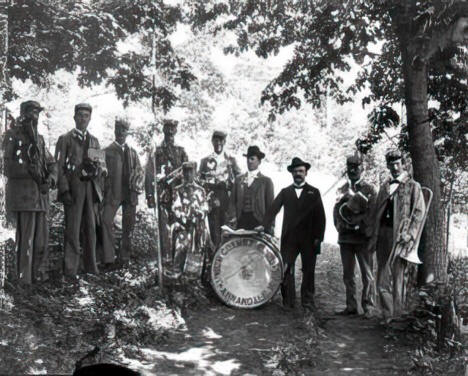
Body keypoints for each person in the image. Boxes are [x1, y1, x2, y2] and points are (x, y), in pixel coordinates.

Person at [257, 157, 326, 311]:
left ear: (306, 173)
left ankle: (307, 301)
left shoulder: (314, 192)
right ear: (291, 174)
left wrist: (318, 238)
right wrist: (263, 225)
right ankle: (288, 302)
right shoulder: (285, 192)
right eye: (295, 171)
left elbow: (321, 218)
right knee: (286, 269)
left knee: (309, 270)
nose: (298, 174)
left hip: (309, 239)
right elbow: (273, 209)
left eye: (301, 171)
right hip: (290, 238)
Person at [2, 100, 57, 285]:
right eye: (31, 112)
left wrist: (50, 178)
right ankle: (24, 281)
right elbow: (6, 165)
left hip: (40, 197)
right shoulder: (12, 136)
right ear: (23, 113)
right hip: (23, 196)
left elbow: (52, 163)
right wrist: (28, 171)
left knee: (41, 241)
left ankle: (37, 277)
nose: (35, 116)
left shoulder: (40, 140)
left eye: (37, 113)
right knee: (25, 241)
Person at [369, 149, 426, 323]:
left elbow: (419, 212)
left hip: (400, 236)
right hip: (383, 234)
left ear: (403, 164)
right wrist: (373, 234)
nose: (394, 167)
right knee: (382, 275)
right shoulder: (385, 186)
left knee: (399, 276)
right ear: (387, 165)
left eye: (397, 163)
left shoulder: (413, 186)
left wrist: (410, 235)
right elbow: (376, 211)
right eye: (391, 164)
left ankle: (398, 315)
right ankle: (387, 314)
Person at [55, 103, 105, 278]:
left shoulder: (95, 141)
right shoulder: (65, 139)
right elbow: (59, 168)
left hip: (90, 190)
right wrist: (64, 191)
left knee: (91, 229)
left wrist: (97, 170)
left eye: (86, 115)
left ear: (90, 119)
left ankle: (91, 267)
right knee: (72, 230)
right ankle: (70, 270)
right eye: (80, 115)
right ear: (74, 117)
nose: (83, 118)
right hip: (73, 190)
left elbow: (101, 168)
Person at [333, 155, 376, 318]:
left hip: (363, 239)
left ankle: (368, 306)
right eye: (349, 167)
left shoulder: (369, 189)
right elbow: (336, 213)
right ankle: (351, 306)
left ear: (362, 168)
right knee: (348, 274)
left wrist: (359, 226)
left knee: (367, 274)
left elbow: (371, 213)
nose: (352, 170)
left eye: (356, 167)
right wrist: (341, 227)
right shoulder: (341, 189)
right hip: (345, 239)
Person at [101, 119, 143, 269]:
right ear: (114, 131)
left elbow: (140, 171)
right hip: (113, 193)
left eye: (123, 130)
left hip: (130, 194)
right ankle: (109, 257)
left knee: (128, 226)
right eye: (118, 129)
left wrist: (137, 182)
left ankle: (124, 258)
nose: (120, 133)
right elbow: (100, 172)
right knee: (105, 221)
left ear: (127, 133)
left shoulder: (132, 152)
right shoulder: (106, 151)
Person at [145, 119, 188, 266]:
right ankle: (165, 258)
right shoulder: (156, 151)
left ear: (176, 131)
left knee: (178, 225)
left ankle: (178, 259)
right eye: (167, 129)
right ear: (163, 130)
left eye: (172, 130)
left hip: (178, 196)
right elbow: (149, 174)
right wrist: (150, 195)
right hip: (162, 194)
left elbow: (188, 173)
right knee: (163, 227)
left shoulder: (181, 151)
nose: (170, 133)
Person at [171, 162, 212, 280]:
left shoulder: (200, 190)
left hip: (197, 226)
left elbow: (205, 207)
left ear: (195, 172)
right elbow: (176, 207)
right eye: (186, 171)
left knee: (197, 250)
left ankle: (194, 278)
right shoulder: (178, 190)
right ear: (183, 173)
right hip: (183, 225)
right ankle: (177, 275)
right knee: (181, 247)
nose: (188, 174)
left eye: (191, 171)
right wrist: (183, 216)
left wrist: (200, 213)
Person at [199, 130, 240, 247]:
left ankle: (227, 257)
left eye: (221, 141)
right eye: (216, 141)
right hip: (212, 198)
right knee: (214, 229)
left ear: (224, 142)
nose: (218, 143)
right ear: (212, 142)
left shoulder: (231, 160)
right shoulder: (205, 161)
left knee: (227, 229)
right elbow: (200, 180)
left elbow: (239, 178)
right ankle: (214, 256)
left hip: (227, 199)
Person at [229, 145, 274, 231]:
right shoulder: (239, 180)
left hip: (259, 223)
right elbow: (232, 202)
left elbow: (271, 207)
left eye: (252, 159)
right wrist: (233, 218)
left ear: (259, 161)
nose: (249, 161)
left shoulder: (266, 181)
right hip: (241, 222)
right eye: (248, 159)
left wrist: (268, 226)